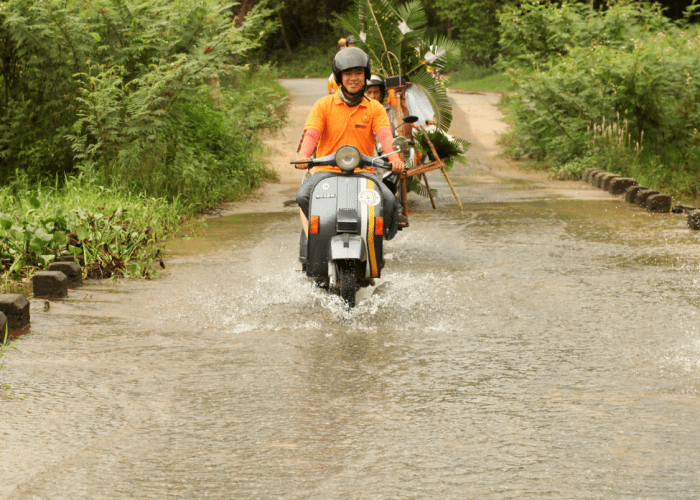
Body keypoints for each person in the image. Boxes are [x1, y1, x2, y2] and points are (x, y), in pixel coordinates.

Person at [296, 47, 404, 239]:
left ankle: (377, 244)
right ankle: (319, 235)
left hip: (363, 172)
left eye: (358, 72)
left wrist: (394, 158)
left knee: (388, 201)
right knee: (303, 195)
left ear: (366, 75)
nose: (353, 78)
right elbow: (311, 134)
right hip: (326, 173)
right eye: (347, 73)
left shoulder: (375, 108)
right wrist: (304, 156)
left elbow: (385, 136)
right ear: (339, 77)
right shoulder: (323, 105)